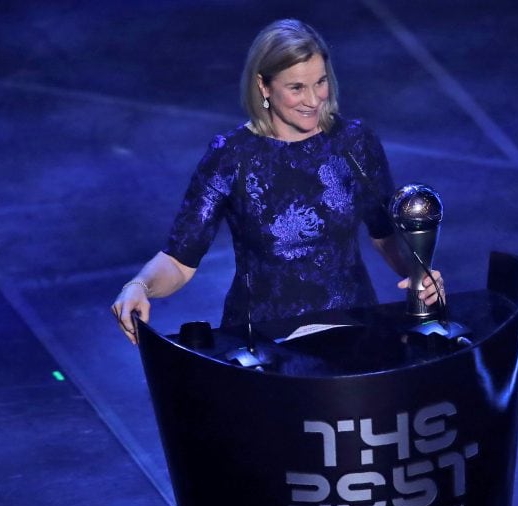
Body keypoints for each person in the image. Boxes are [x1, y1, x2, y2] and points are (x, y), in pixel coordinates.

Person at [111, 19, 443, 344]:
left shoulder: (355, 143)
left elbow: (384, 234)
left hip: (353, 330)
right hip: (266, 342)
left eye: (321, 82)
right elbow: (179, 261)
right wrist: (138, 286)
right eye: (296, 87)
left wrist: (418, 275)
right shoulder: (231, 156)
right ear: (264, 86)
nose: (314, 100)